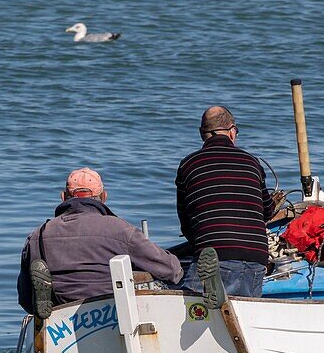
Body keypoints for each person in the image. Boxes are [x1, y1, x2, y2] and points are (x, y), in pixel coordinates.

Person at [18, 167, 183, 315]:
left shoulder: (37, 236)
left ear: (63, 197)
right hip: (109, 315)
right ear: (103, 197)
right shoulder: (120, 229)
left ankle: (50, 303)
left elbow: (25, 299)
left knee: (40, 296)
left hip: (60, 322)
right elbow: (170, 270)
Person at [176, 106, 275, 298]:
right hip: (255, 256)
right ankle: (222, 299)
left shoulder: (189, 164)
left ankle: (213, 294)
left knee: (193, 312)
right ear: (232, 131)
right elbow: (267, 211)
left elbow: (186, 222)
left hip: (214, 252)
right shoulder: (252, 163)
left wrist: (201, 242)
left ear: (201, 134)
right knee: (244, 309)